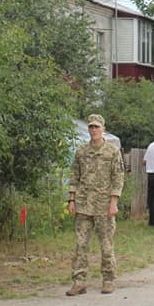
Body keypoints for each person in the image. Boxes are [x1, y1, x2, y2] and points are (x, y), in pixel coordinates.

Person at [67, 113, 124, 296]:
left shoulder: (112, 152)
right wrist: (72, 199)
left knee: (106, 245)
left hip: (104, 205)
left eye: (96, 127)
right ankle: (79, 281)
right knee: (80, 244)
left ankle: (108, 280)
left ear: (103, 129)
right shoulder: (81, 151)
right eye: (91, 127)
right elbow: (74, 175)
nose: (93, 130)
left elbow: (118, 177)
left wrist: (114, 202)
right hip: (83, 205)